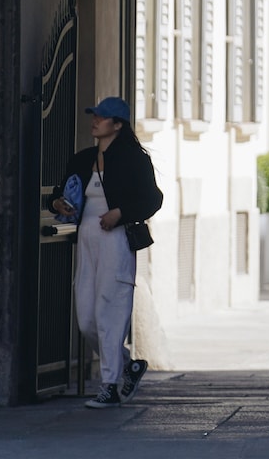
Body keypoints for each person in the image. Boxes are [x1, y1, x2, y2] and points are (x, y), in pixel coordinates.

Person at [53, 96, 163, 409]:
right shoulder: (82, 158)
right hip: (87, 241)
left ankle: (110, 386)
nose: (95, 121)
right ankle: (128, 365)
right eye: (94, 115)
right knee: (87, 318)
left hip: (115, 242)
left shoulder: (133, 159)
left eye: (102, 117)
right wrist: (57, 204)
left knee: (110, 312)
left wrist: (120, 213)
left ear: (117, 125)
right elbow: (63, 191)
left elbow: (153, 199)